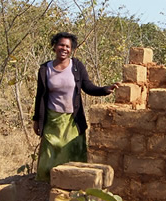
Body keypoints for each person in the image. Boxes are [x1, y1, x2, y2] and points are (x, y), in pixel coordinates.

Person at [32, 32, 120, 181]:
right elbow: (40, 96)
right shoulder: (45, 69)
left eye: (68, 46)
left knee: (72, 155)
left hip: (73, 120)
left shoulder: (76, 66)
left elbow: (87, 86)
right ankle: (48, 187)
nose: (64, 48)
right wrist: (36, 119)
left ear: (71, 49)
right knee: (49, 156)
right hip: (52, 120)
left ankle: (73, 185)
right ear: (54, 46)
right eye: (61, 45)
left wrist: (105, 89)